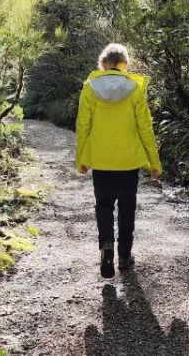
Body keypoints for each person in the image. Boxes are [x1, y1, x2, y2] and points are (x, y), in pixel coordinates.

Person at [76, 43, 162, 279]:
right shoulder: (134, 88)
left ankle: (106, 246)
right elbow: (145, 127)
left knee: (103, 205)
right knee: (127, 207)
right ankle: (124, 256)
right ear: (125, 65)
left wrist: (81, 159)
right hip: (128, 161)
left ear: (103, 64)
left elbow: (83, 125)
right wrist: (155, 162)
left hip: (101, 160)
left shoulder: (90, 87)